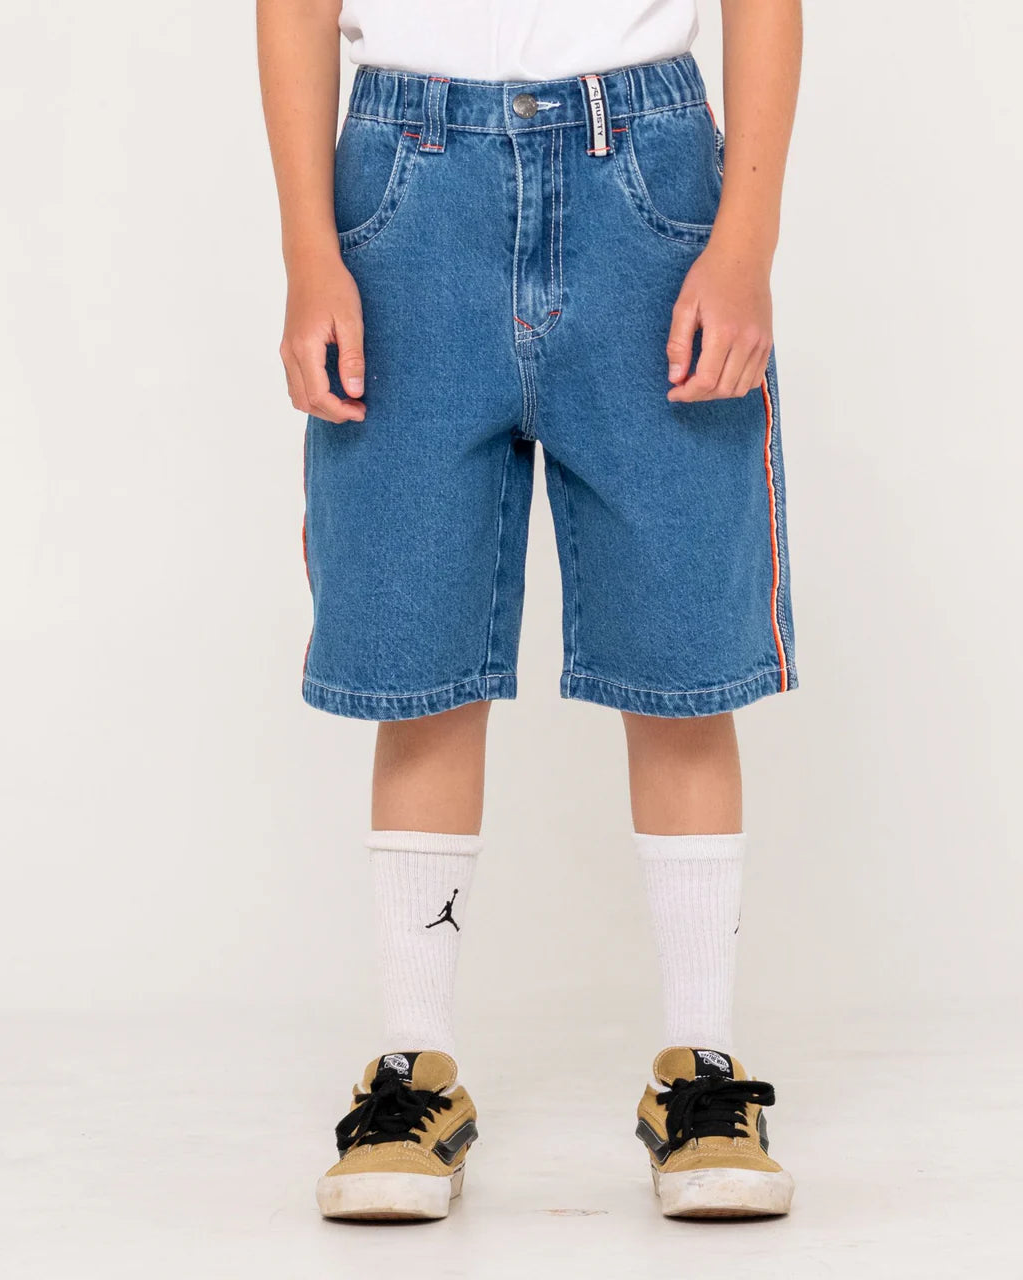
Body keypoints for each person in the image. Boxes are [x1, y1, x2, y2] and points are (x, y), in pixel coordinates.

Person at [257, 0, 801, 1222]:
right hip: (404, 188)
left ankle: (703, 1069)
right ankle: (413, 1068)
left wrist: (745, 241)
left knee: (681, 655)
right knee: (417, 652)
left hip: (647, 185)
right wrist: (309, 250)